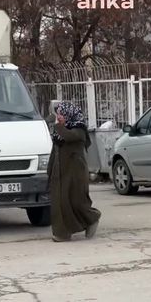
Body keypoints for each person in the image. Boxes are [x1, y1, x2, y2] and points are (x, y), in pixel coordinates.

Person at [49, 101, 101, 242]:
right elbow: (55, 151)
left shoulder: (78, 129)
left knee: (76, 201)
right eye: (58, 113)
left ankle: (92, 218)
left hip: (75, 172)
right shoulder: (59, 131)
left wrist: (58, 126)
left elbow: (69, 136)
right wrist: (50, 170)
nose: (59, 116)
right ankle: (62, 233)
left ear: (69, 114)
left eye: (61, 113)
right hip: (59, 172)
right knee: (59, 202)